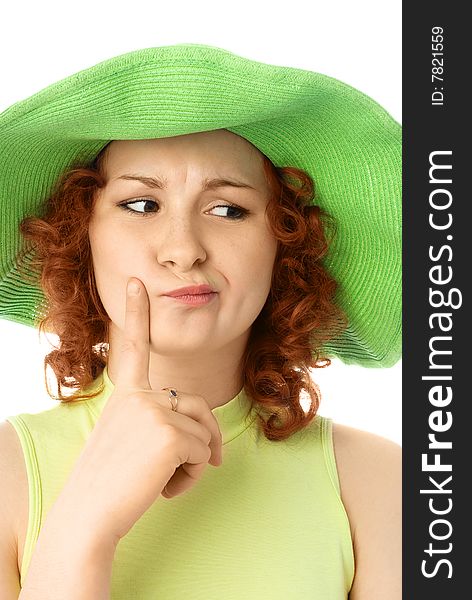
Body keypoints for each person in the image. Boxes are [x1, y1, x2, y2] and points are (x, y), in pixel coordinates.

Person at [0, 44, 401, 599]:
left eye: (228, 210)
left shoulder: (384, 485)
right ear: (78, 233)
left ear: (286, 246)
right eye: (141, 204)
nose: (182, 250)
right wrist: (85, 522)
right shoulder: (6, 474)